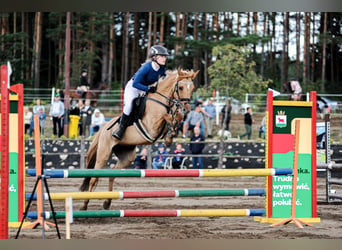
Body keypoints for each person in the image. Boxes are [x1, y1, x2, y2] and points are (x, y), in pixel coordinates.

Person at [112, 45, 169, 140]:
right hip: (134, 88)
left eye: (165, 56)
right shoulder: (146, 67)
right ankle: (120, 129)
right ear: (154, 57)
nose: (164, 58)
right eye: (162, 56)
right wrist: (148, 89)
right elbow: (135, 83)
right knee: (129, 105)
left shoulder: (162, 68)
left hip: (146, 88)